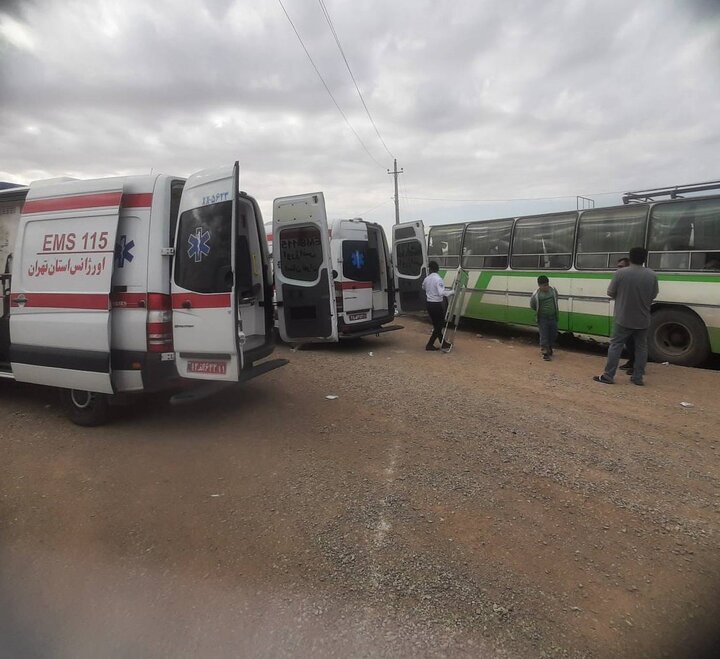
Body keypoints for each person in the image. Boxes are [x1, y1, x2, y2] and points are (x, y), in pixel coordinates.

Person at [594, 247, 659, 386]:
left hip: (623, 318)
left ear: (630, 258)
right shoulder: (652, 275)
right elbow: (653, 295)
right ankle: (637, 378)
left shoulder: (621, 273)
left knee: (616, 346)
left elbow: (610, 293)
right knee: (641, 348)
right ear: (645, 258)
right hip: (643, 319)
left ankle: (608, 376)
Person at [422, 260, 454, 351]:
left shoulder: (427, 279)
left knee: (436, 325)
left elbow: (423, 287)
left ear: (430, 269)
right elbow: (441, 293)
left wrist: (431, 291)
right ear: (437, 269)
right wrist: (452, 292)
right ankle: (429, 344)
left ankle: (443, 343)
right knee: (439, 325)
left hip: (429, 304)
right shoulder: (438, 279)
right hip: (436, 304)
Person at [529, 275, 559, 361]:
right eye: (544, 285)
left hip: (553, 317)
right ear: (539, 285)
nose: (546, 287)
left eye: (547, 284)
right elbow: (532, 305)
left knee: (554, 334)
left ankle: (549, 347)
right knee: (544, 335)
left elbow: (556, 299)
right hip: (543, 318)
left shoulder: (553, 290)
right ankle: (545, 352)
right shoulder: (536, 294)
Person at [615, 257, 635, 373]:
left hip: (630, 315)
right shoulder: (622, 278)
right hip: (625, 314)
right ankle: (632, 363)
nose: (618, 269)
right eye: (618, 267)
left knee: (633, 342)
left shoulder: (629, 279)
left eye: (621, 267)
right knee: (630, 342)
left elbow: (611, 292)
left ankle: (635, 367)